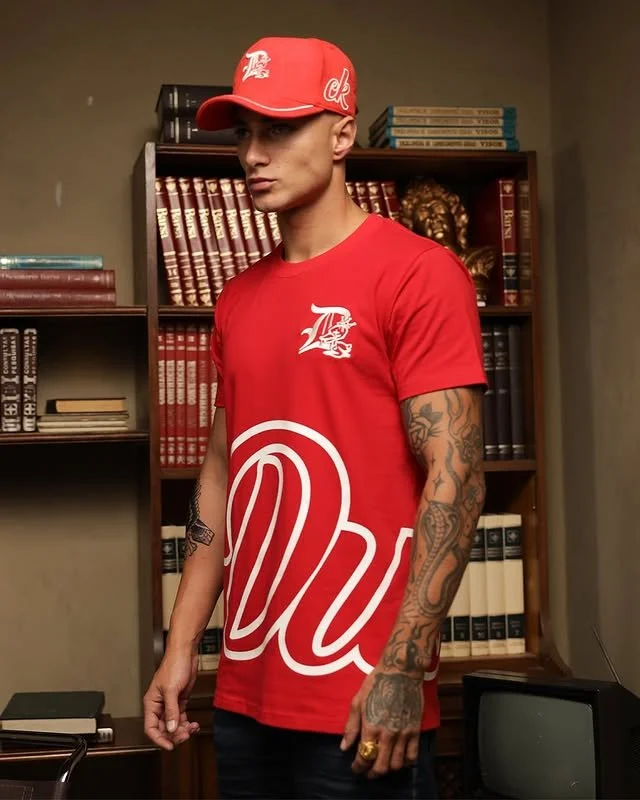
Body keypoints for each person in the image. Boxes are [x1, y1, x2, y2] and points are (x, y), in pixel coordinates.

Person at [143, 35, 487, 799]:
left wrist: (402, 669)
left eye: (280, 129)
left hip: (362, 699)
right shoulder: (237, 299)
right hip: (245, 696)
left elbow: (457, 479)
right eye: (245, 133)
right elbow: (222, 476)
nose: (252, 155)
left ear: (341, 134)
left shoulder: (418, 274)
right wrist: (181, 649)